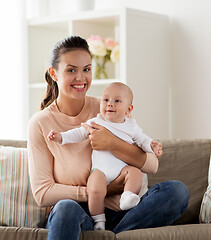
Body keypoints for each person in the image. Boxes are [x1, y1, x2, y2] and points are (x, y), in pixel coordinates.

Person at [27, 35, 189, 240]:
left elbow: (151, 166)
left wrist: (113, 143)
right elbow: (43, 193)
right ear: (54, 74)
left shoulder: (108, 105)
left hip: (125, 212)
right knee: (65, 207)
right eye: (71, 70)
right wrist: (101, 190)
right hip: (79, 214)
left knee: (176, 191)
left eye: (86, 69)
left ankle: (113, 235)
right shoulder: (40, 123)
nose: (81, 78)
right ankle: (114, 235)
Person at [47, 82, 163, 230]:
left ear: (129, 109)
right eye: (106, 100)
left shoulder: (131, 126)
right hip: (100, 171)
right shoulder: (96, 121)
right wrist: (60, 137)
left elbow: (143, 140)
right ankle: (99, 220)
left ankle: (127, 196)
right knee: (94, 188)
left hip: (123, 169)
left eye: (117, 101)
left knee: (135, 173)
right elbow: (78, 133)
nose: (110, 104)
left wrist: (152, 146)